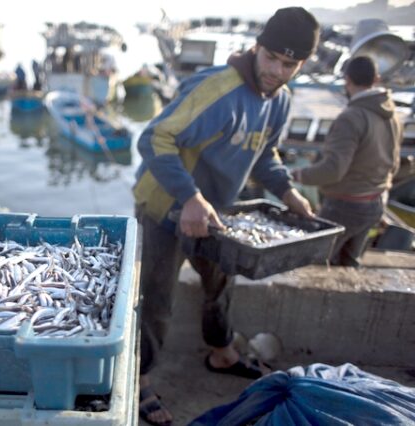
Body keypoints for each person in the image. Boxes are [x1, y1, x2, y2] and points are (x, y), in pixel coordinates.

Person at [133, 7, 319, 426]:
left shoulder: (281, 100)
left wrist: (288, 191)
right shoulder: (218, 89)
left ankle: (221, 352)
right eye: (271, 57)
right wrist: (190, 197)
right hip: (165, 206)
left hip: (216, 214)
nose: (276, 69)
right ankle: (139, 379)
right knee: (156, 300)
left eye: (288, 64)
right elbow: (154, 137)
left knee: (221, 283)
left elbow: (263, 153)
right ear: (257, 47)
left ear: (301, 64)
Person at [292, 56, 402, 267]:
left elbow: (334, 170)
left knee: (316, 263)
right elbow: (394, 164)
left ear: (347, 79)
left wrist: (299, 175)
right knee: (349, 263)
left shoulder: (351, 117)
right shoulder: (391, 113)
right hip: (375, 203)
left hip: (345, 205)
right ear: (376, 79)